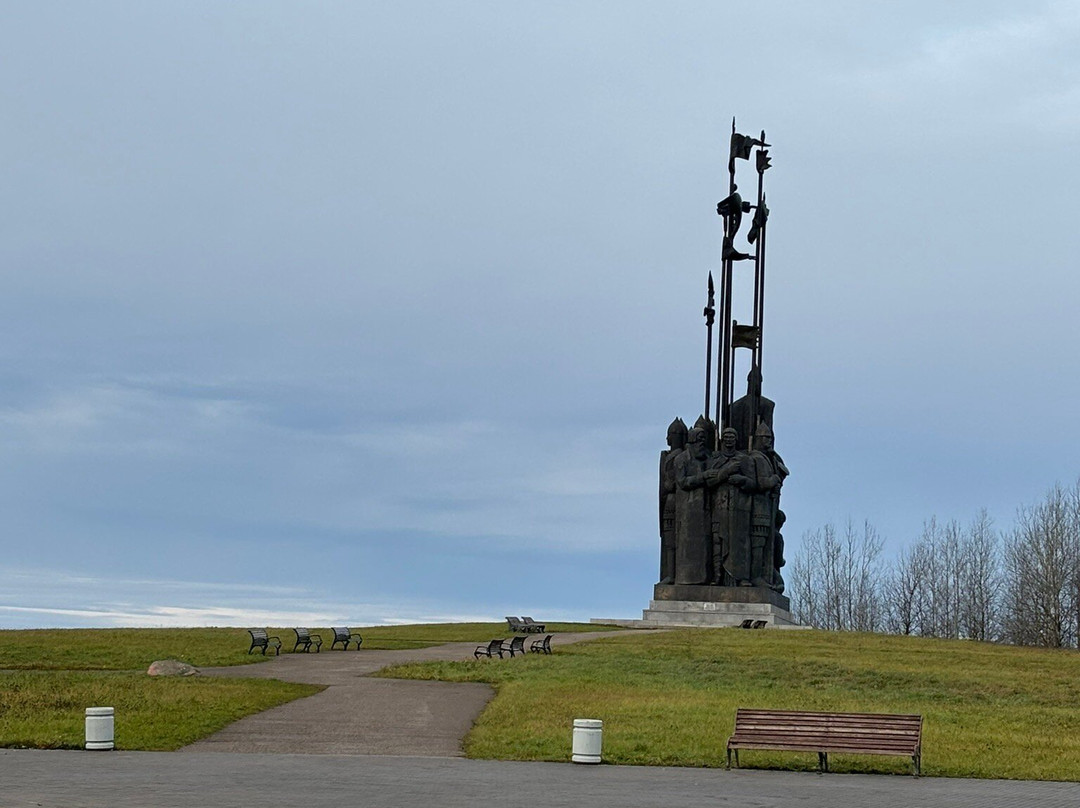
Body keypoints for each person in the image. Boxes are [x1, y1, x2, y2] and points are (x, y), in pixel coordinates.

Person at [706, 427, 751, 585]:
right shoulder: (715, 460)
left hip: (739, 509)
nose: (729, 439)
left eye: (732, 436)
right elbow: (709, 481)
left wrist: (742, 480)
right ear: (722, 439)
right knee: (717, 541)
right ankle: (717, 576)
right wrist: (726, 472)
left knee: (739, 543)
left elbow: (753, 483)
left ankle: (739, 577)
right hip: (719, 506)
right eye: (726, 436)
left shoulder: (744, 459)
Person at [673, 425, 712, 585]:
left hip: (704, 509)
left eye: (704, 440)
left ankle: (703, 578)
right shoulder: (681, 459)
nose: (702, 443)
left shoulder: (706, 458)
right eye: (699, 440)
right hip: (688, 510)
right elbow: (682, 481)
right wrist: (702, 477)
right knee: (688, 546)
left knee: (704, 546)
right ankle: (686, 579)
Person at [658, 418, 687, 584]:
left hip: (677, 502)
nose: (667, 439)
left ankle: (674, 574)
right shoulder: (668, 456)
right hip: (669, 504)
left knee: (675, 541)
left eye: (670, 435)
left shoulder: (680, 458)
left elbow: (672, 483)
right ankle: (671, 574)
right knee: (669, 541)